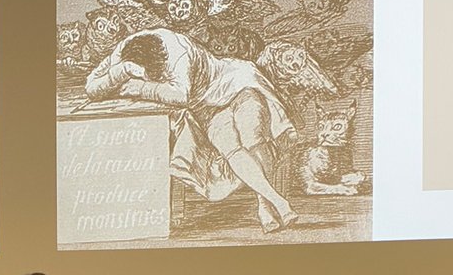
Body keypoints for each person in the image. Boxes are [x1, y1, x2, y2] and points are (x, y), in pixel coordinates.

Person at [85, 28, 299, 233]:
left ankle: (264, 204)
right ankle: (276, 200)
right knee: (230, 148)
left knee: (253, 137)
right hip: (206, 107)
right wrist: (121, 71)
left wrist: (141, 87)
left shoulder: (177, 51)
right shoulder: (121, 54)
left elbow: (181, 95)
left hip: (235, 83)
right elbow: (92, 88)